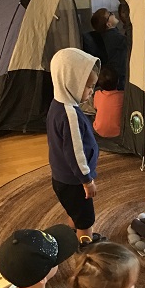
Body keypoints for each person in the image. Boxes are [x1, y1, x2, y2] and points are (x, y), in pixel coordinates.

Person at [47, 48, 106, 247]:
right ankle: (86, 245)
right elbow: (75, 152)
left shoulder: (57, 104)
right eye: (88, 86)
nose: (91, 92)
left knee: (75, 211)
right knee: (86, 218)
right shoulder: (69, 115)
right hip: (74, 181)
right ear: (70, 82)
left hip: (61, 177)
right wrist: (87, 181)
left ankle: (74, 234)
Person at [91, 8, 127, 90]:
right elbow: (129, 42)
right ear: (109, 24)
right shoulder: (112, 36)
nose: (113, 14)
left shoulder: (107, 35)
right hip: (120, 74)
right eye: (110, 14)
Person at [93, 66, 124, 138]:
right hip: (118, 132)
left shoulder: (97, 94)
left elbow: (95, 107)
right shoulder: (123, 96)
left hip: (98, 130)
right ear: (118, 81)